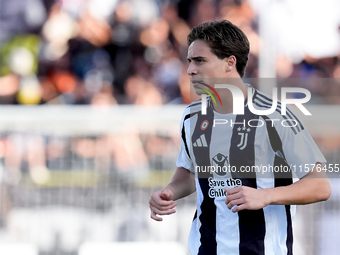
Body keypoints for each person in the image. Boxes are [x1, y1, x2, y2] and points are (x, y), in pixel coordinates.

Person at [149, 20, 331, 255]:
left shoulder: (275, 116)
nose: (190, 70)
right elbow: (190, 173)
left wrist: (265, 196)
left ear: (230, 63)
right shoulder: (192, 116)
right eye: (190, 61)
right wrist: (169, 192)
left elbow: (320, 186)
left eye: (200, 60)